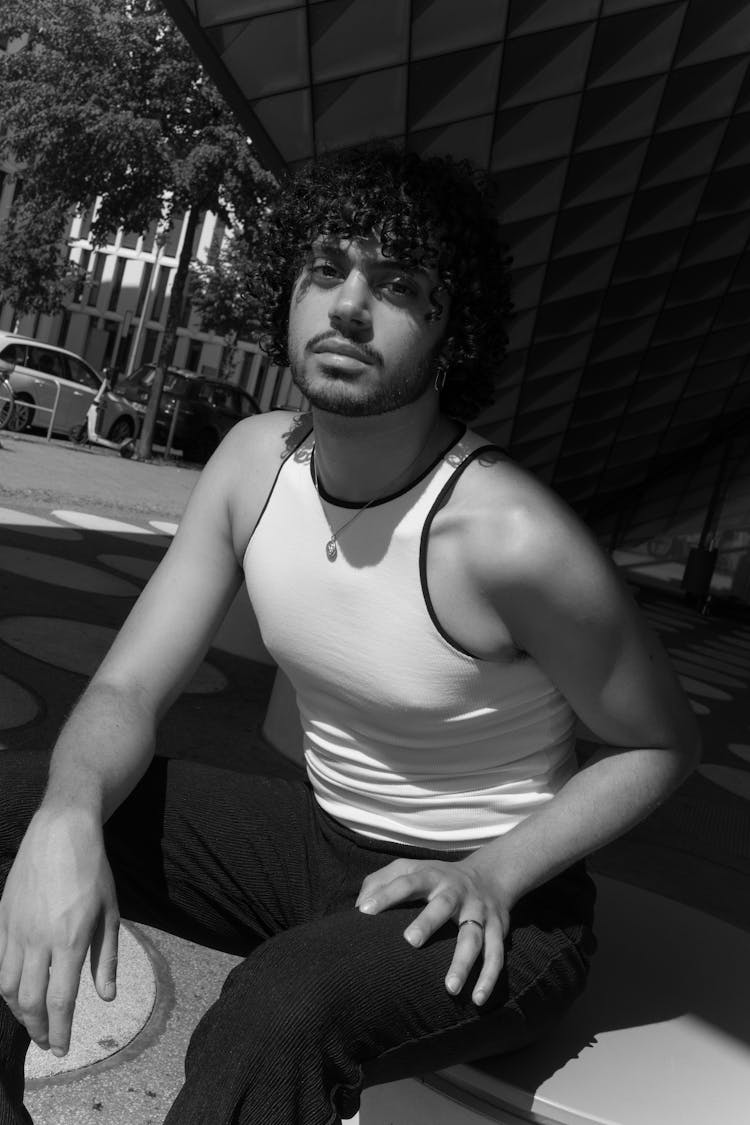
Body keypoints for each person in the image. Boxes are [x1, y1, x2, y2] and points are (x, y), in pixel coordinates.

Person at [0, 146, 699, 1124]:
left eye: (399, 286)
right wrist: (70, 818)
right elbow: (125, 691)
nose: (349, 308)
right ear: (285, 294)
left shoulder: (508, 536)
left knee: (278, 1010)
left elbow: (659, 744)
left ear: (450, 327)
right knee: (18, 806)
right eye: (326, 271)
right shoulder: (253, 465)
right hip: (318, 849)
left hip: (497, 907)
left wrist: (494, 874)